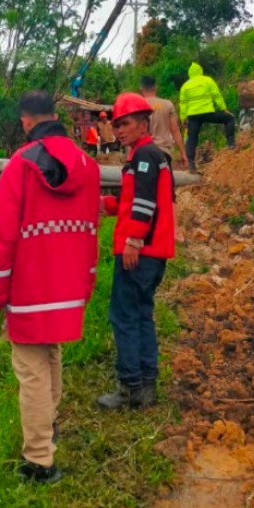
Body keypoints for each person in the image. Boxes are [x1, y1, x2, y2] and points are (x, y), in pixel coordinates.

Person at [0, 91, 100, 483]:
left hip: (31, 291)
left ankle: (39, 461)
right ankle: (51, 424)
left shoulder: (20, 165)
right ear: (54, 115)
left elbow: (0, 235)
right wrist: (87, 282)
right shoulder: (88, 164)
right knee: (51, 355)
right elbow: (92, 232)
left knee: (31, 370)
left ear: (26, 121)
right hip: (69, 286)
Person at [97, 93, 174, 410]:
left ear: (144, 123)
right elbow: (137, 202)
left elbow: (143, 205)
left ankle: (130, 386)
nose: (119, 130)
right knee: (142, 314)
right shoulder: (153, 157)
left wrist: (133, 241)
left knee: (124, 316)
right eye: (116, 125)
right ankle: (146, 387)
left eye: (125, 123)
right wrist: (106, 205)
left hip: (141, 251)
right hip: (154, 252)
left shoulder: (144, 158)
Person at [179, 62, 236, 173]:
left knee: (192, 138)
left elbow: (183, 104)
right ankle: (231, 144)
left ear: (189, 73)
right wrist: (224, 109)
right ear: (200, 71)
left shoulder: (185, 86)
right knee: (229, 119)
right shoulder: (207, 80)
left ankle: (191, 165)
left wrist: (183, 119)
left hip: (193, 116)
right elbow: (216, 95)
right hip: (207, 112)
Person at [139, 75, 189, 169]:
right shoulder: (167, 104)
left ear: (141, 88)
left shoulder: (138, 104)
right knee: (165, 181)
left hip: (143, 154)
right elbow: (175, 130)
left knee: (144, 180)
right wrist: (183, 154)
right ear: (156, 87)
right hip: (163, 154)